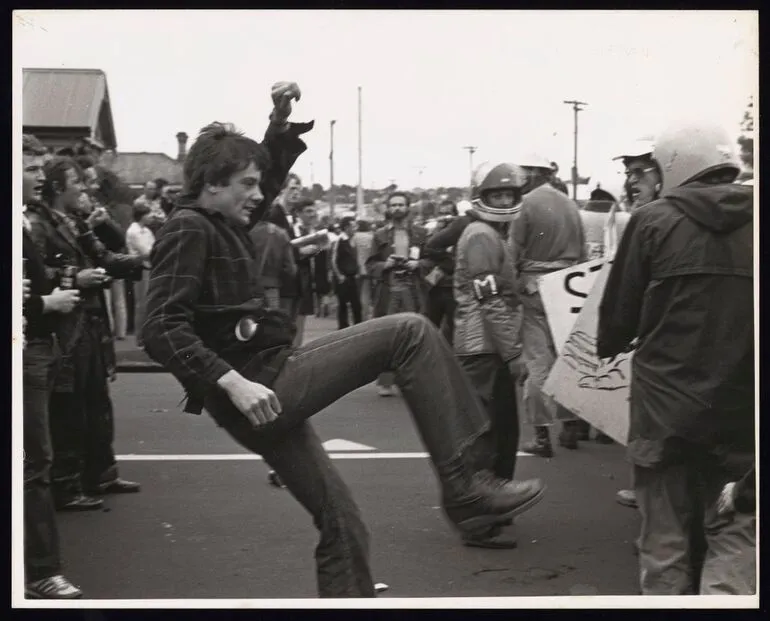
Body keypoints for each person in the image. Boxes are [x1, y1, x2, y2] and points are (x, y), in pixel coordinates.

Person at [141, 83, 546, 598]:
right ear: (212, 184)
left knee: (343, 523)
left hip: (260, 393)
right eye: (247, 183)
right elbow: (158, 327)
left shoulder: (222, 220)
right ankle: (466, 487)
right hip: (261, 385)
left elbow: (264, 177)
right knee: (410, 332)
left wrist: (278, 127)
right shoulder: (189, 230)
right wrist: (233, 383)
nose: (260, 194)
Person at [597, 120, 755, 595]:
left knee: (665, 542)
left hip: (665, 411)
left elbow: (617, 318)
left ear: (672, 166)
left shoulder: (653, 221)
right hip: (743, 411)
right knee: (736, 532)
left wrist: (611, 344)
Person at [28, 156, 144, 511]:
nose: (84, 187)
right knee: (70, 405)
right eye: (77, 182)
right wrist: (74, 278)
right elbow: (33, 272)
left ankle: (101, 474)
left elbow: (106, 256)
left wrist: (146, 261)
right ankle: (67, 485)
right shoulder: (37, 224)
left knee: (96, 400)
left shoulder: (74, 221)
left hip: (90, 322)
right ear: (58, 187)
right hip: (66, 325)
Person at [453, 163, 531, 549]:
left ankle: (492, 509)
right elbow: (490, 301)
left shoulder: (492, 234)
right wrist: (513, 352)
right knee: (485, 435)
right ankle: (477, 520)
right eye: (495, 195)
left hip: (489, 346)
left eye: (508, 195)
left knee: (500, 431)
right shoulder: (482, 235)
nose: (503, 201)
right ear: (482, 197)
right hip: (482, 347)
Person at [21, 134, 83, 598]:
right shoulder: (28, 225)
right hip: (28, 349)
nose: (39, 177)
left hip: (35, 345)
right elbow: (37, 292)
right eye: (30, 168)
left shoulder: (25, 224)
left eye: (42, 169)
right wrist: (48, 300)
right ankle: (41, 568)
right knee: (34, 462)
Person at [511, 153, 587, 457]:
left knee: (538, 363)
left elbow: (512, 251)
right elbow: (582, 251)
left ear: (530, 173)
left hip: (534, 288)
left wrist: (515, 283)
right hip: (567, 287)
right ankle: (571, 427)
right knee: (568, 360)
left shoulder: (525, 205)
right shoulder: (570, 204)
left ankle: (542, 436)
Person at [606, 138, 659, 510]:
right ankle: (645, 491)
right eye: (627, 173)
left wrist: (614, 334)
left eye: (639, 172)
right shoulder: (642, 216)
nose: (630, 181)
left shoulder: (652, 219)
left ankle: (653, 501)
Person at [366, 192, 429, 397]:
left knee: (416, 334)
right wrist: (387, 264)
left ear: (408, 208)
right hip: (389, 290)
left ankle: (414, 380)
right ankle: (385, 381)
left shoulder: (421, 233)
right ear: (388, 209)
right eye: (393, 205)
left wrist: (418, 264)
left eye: (401, 205)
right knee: (386, 336)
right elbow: (369, 265)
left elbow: (432, 260)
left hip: (413, 290)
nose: (397, 208)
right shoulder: (380, 235)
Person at [421, 199, 460, 344]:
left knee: (453, 329)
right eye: (441, 213)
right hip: (435, 287)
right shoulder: (434, 232)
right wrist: (446, 256)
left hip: (453, 288)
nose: (444, 217)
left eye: (448, 213)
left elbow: (458, 256)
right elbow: (427, 251)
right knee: (430, 325)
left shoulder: (461, 232)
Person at [125, 203, 156, 349]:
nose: (151, 216)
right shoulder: (134, 231)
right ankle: (140, 339)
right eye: (148, 214)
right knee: (141, 304)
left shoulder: (147, 231)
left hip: (149, 268)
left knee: (149, 303)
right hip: (139, 269)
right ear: (142, 215)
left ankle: (147, 336)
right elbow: (147, 252)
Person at [331, 215, 363, 329]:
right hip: (343, 278)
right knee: (343, 304)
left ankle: (358, 326)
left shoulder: (353, 240)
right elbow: (333, 260)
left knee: (356, 304)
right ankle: (343, 327)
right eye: (353, 226)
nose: (355, 228)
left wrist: (358, 271)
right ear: (346, 227)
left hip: (353, 277)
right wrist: (339, 275)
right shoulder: (339, 240)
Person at [350, 219, 374, 320]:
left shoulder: (355, 237)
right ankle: (365, 315)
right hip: (369, 268)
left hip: (357, 268)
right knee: (366, 293)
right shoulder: (371, 237)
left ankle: (358, 315)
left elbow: (352, 251)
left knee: (357, 293)